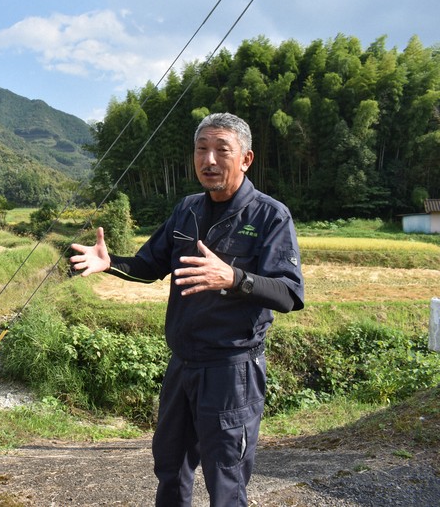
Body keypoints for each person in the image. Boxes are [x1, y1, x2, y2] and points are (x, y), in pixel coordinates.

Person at [69, 112, 304, 506]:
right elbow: (149, 267)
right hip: (182, 364)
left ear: (246, 159)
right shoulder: (187, 209)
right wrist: (111, 264)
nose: (209, 160)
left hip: (232, 370)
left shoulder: (269, 216)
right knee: (171, 468)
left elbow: (289, 293)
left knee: (226, 479)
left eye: (221, 150)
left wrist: (234, 278)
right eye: (201, 149)